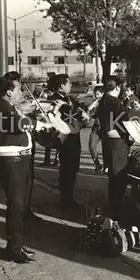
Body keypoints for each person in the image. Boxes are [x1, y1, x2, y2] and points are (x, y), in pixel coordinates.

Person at [0, 72, 52, 263]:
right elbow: (18, 124)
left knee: (20, 205)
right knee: (15, 205)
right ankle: (13, 249)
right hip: (12, 160)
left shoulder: (10, 106)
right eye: (18, 89)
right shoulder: (1, 107)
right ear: (9, 91)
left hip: (21, 159)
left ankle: (17, 244)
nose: (22, 93)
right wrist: (38, 124)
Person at [97, 76, 130, 221]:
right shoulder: (115, 103)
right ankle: (116, 213)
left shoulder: (103, 101)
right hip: (117, 143)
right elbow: (123, 125)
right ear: (117, 87)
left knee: (113, 178)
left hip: (108, 143)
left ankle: (113, 208)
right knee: (119, 179)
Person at [49, 74, 85, 209]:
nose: (70, 86)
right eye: (69, 83)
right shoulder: (55, 99)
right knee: (67, 168)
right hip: (65, 137)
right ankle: (66, 198)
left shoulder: (69, 98)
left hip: (74, 135)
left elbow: (78, 111)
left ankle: (68, 195)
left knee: (73, 167)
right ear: (62, 85)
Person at [87, 85, 105, 173]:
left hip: (105, 127)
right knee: (91, 145)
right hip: (96, 128)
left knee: (105, 148)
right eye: (95, 94)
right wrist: (95, 103)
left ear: (103, 93)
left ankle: (106, 166)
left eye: (98, 94)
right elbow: (89, 110)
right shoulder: (96, 103)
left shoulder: (107, 102)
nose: (96, 96)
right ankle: (97, 164)